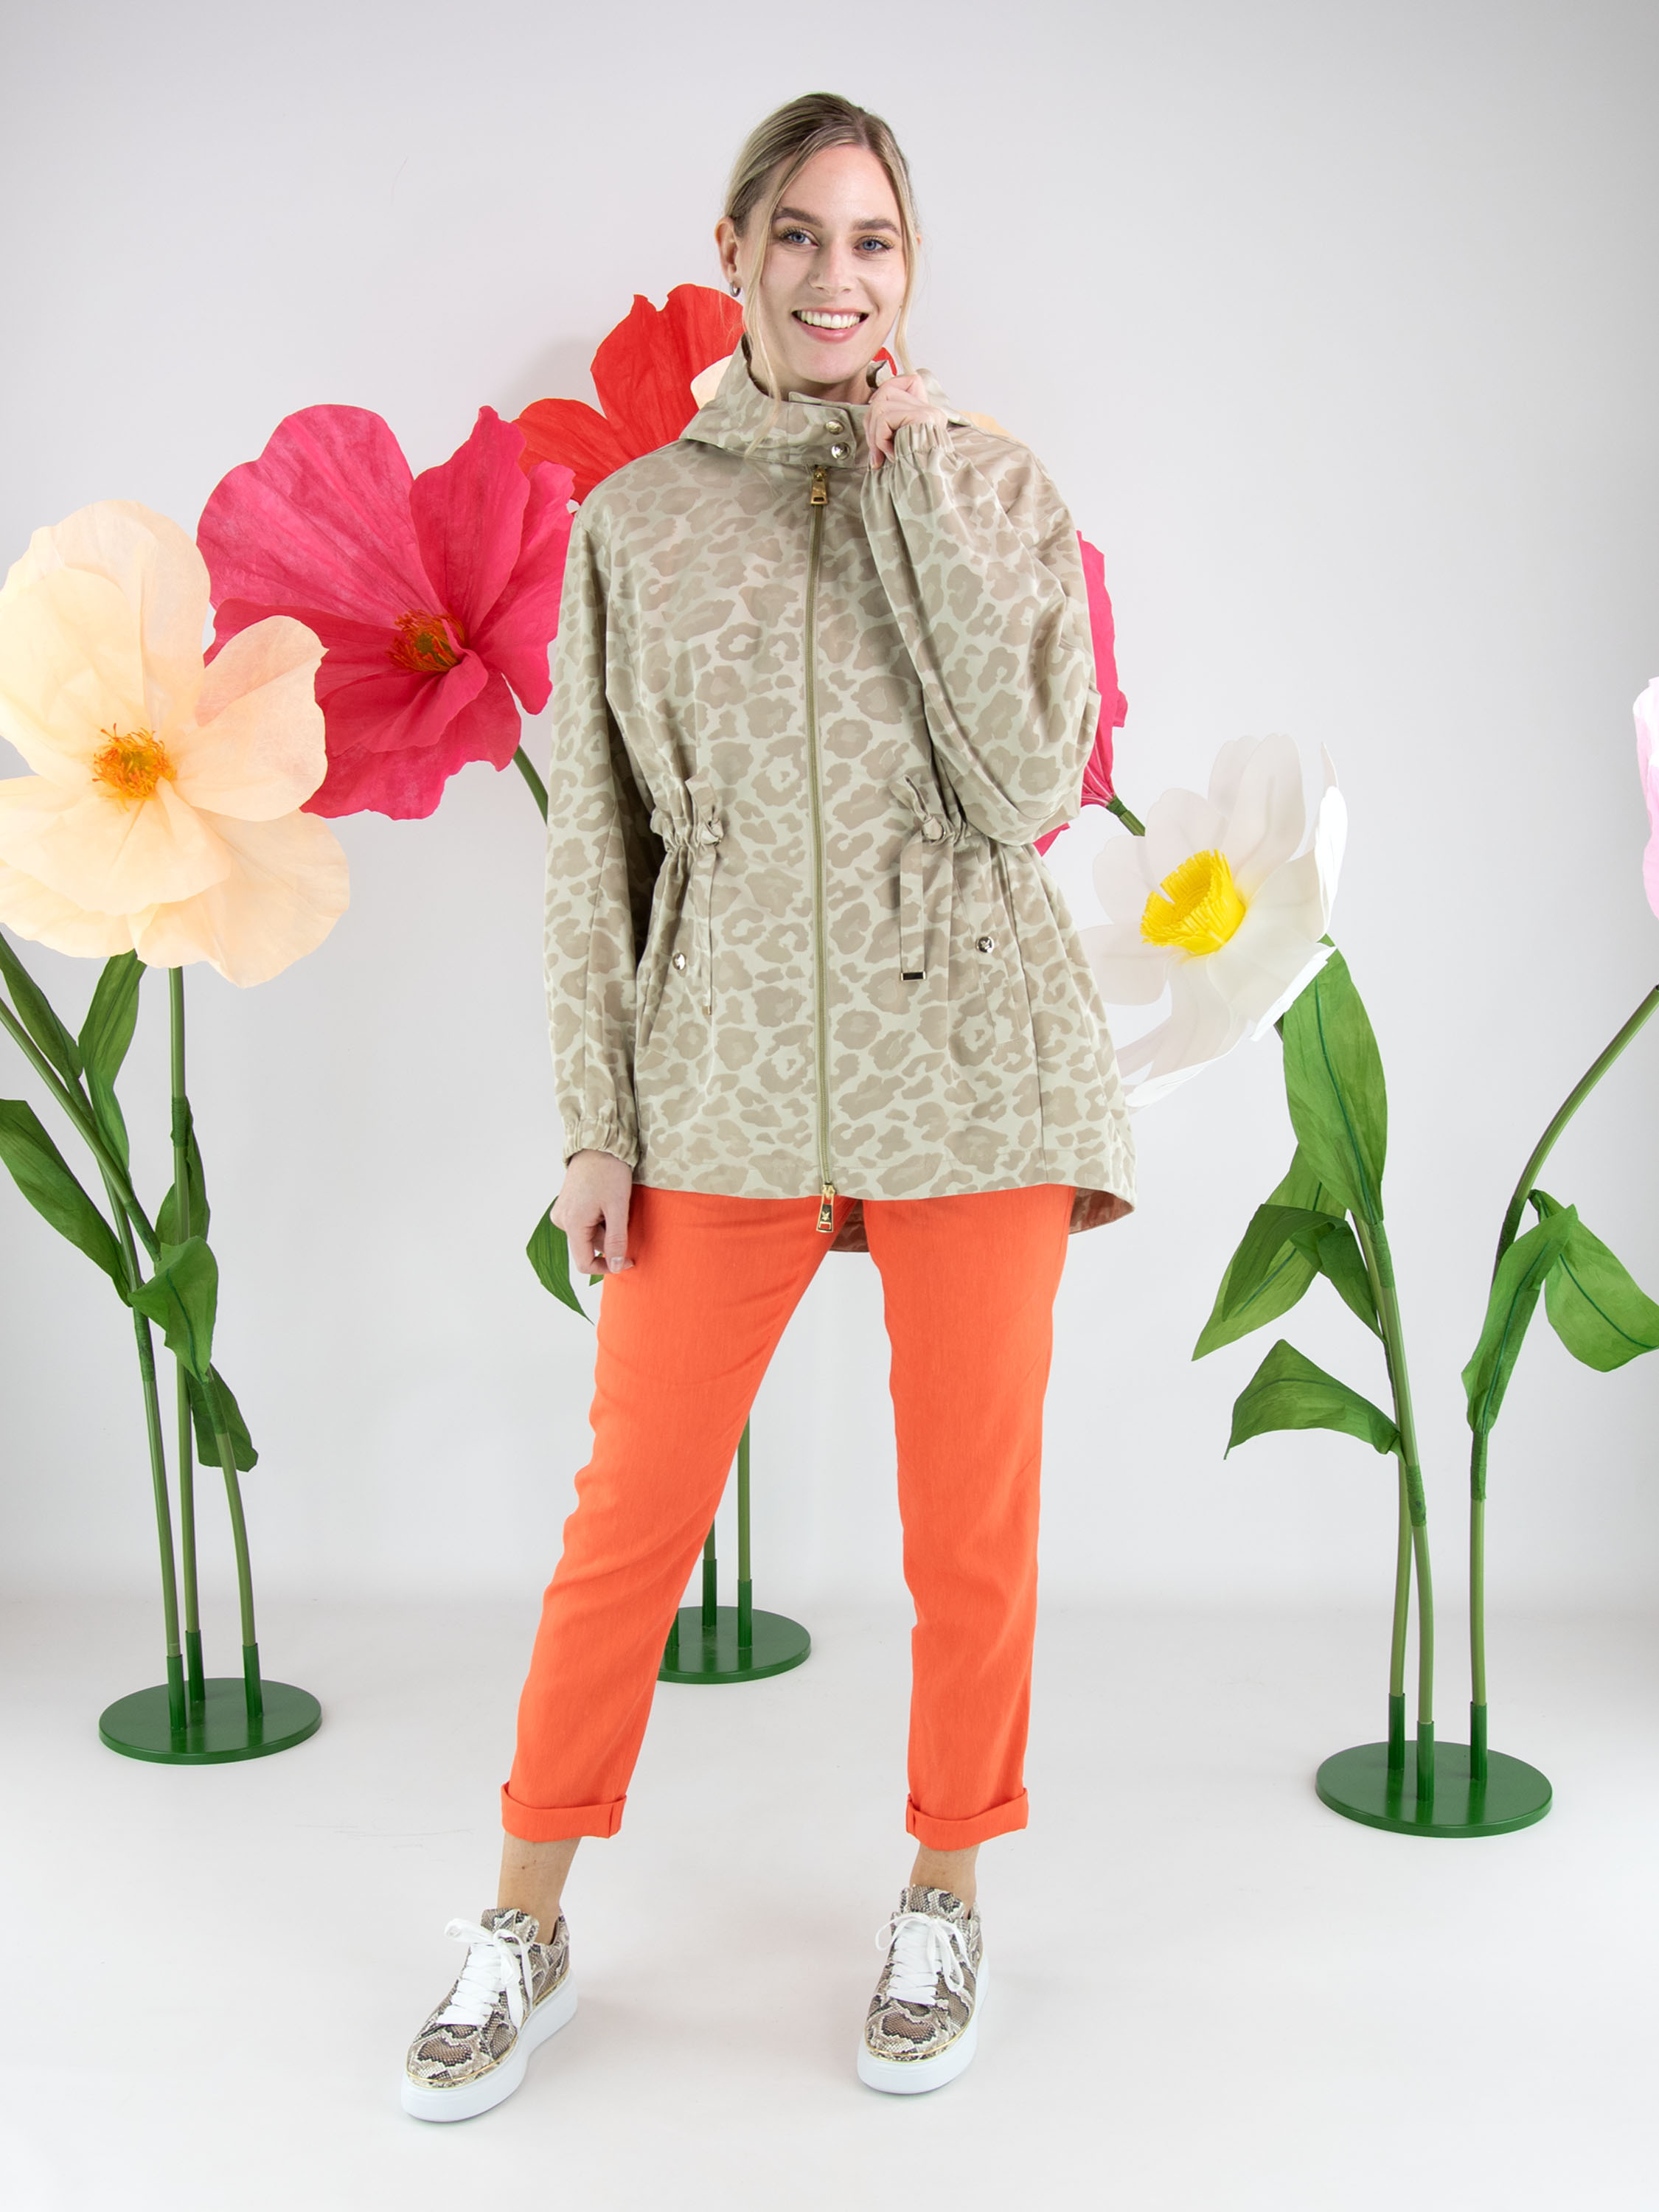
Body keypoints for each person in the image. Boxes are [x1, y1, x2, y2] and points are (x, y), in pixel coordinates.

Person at [402, 89, 1135, 2121]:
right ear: (732, 251)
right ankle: (523, 1922)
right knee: (628, 1518)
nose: (835, 275)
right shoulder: (635, 526)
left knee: (966, 1525)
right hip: (718, 1065)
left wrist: (910, 495)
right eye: (798, 235)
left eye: (871, 240)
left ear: (911, 270)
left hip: (969, 1067)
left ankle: (945, 1893)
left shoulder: (995, 488)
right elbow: (598, 853)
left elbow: (1029, 786)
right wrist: (596, 1119)